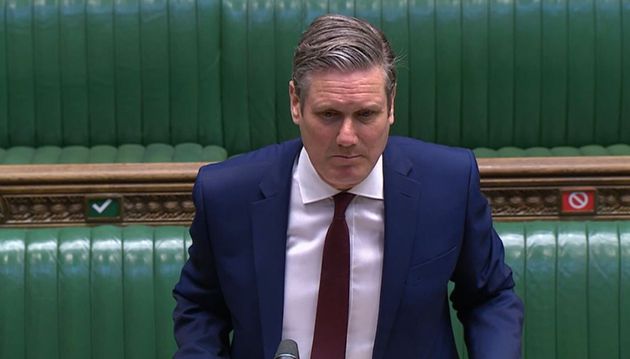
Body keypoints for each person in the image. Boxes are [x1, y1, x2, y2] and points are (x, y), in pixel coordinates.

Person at [173, 14, 523, 359]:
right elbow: (202, 307)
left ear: (391, 106)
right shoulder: (226, 194)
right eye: (328, 115)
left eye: (366, 115)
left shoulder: (448, 184)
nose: (347, 138)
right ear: (296, 103)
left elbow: (489, 297)